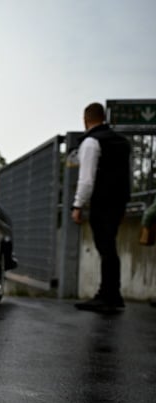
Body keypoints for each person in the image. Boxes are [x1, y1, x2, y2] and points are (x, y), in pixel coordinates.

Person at [71, 102, 131, 313]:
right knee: (110, 247)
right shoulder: (121, 142)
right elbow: (125, 174)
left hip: (102, 202)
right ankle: (111, 293)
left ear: (85, 119)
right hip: (118, 201)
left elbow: (86, 179)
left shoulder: (91, 142)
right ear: (103, 117)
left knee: (106, 248)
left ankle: (108, 295)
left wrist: (77, 204)